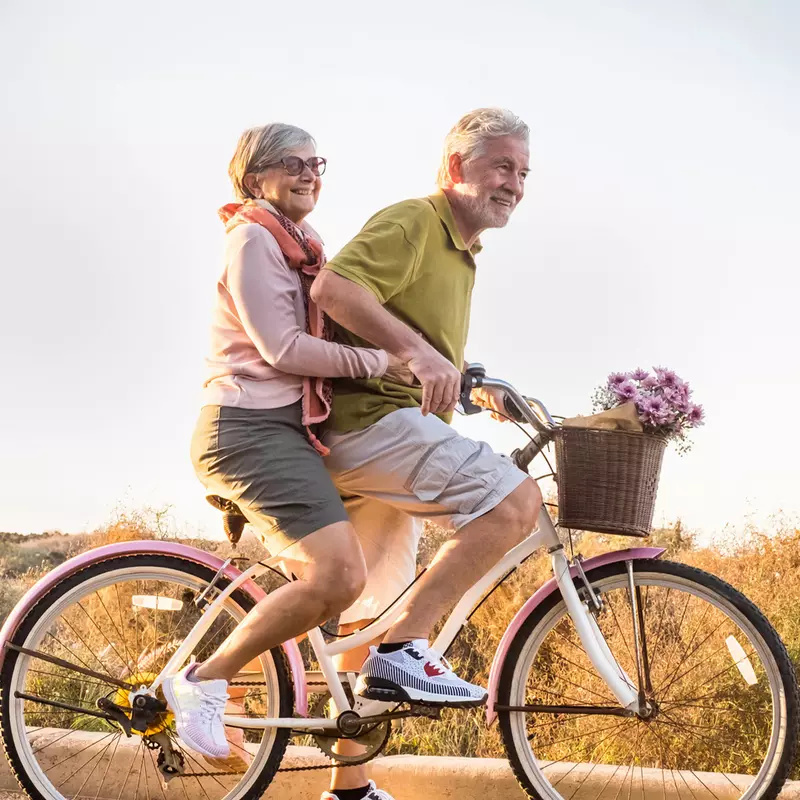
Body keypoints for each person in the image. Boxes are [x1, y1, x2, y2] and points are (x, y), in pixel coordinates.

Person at [165, 122, 403, 800]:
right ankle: (204, 681)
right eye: (291, 163)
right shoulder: (251, 240)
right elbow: (282, 348)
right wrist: (379, 362)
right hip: (247, 430)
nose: (309, 173)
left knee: (341, 596)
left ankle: (349, 787)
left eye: (316, 162)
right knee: (339, 576)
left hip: (284, 433)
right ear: (254, 177)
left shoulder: (303, 248)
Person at [310, 107, 543, 706]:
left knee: (373, 619)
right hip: (371, 423)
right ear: (455, 165)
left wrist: (471, 381)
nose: (514, 184)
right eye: (501, 167)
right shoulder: (415, 220)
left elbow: (417, 341)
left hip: (395, 431)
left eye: (522, 173)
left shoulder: (464, 252)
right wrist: (416, 352)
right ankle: (408, 648)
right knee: (516, 501)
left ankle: (350, 791)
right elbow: (333, 289)